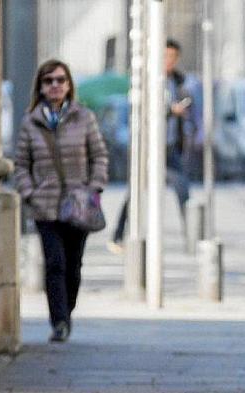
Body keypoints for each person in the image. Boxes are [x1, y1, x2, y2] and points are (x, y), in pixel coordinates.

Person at [14, 59, 108, 342]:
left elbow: (99, 155)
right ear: (41, 87)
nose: (55, 85)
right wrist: (29, 191)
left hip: (79, 206)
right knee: (54, 263)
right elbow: (21, 164)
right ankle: (59, 321)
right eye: (49, 81)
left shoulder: (84, 117)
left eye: (60, 80)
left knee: (73, 265)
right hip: (46, 207)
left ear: (68, 86)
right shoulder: (31, 123)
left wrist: (94, 188)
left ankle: (67, 310)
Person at [108, 39, 197, 253]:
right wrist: (169, 110)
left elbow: (188, 102)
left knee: (183, 191)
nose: (169, 62)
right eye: (166, 56)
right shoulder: (147, 80)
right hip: (148, 148)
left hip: (170, 146)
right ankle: (118, 236)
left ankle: (192, 239)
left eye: (173, 58)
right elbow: (145, 110)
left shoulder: (179, 81)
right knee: (135, 192)